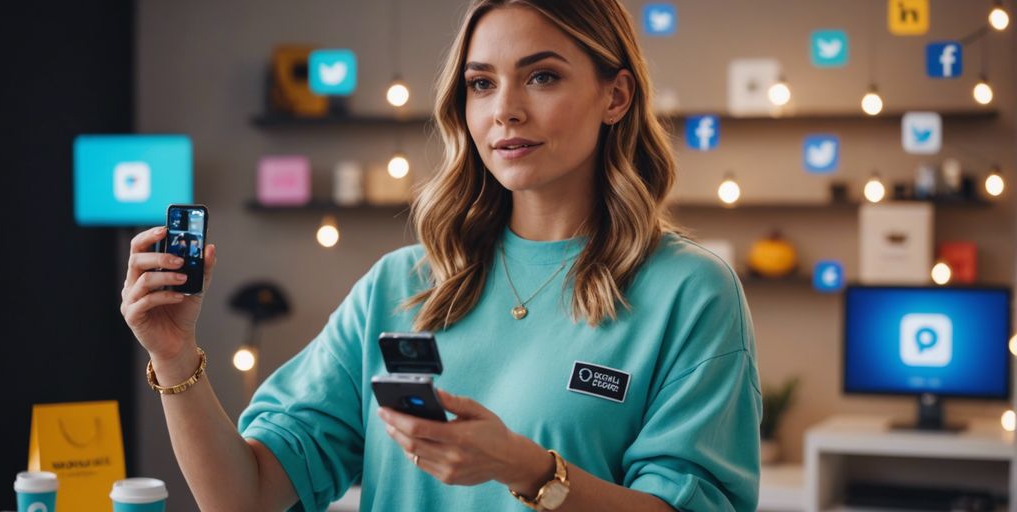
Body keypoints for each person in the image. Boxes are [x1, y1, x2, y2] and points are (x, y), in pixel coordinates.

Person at [119, 0, 761, 510]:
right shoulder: (398, 287)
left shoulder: (690, 293)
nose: (505, 110)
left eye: (541, 76)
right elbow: (245, 498)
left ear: (615, 97)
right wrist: (174, 355)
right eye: (482, 84)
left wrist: (527, 469)